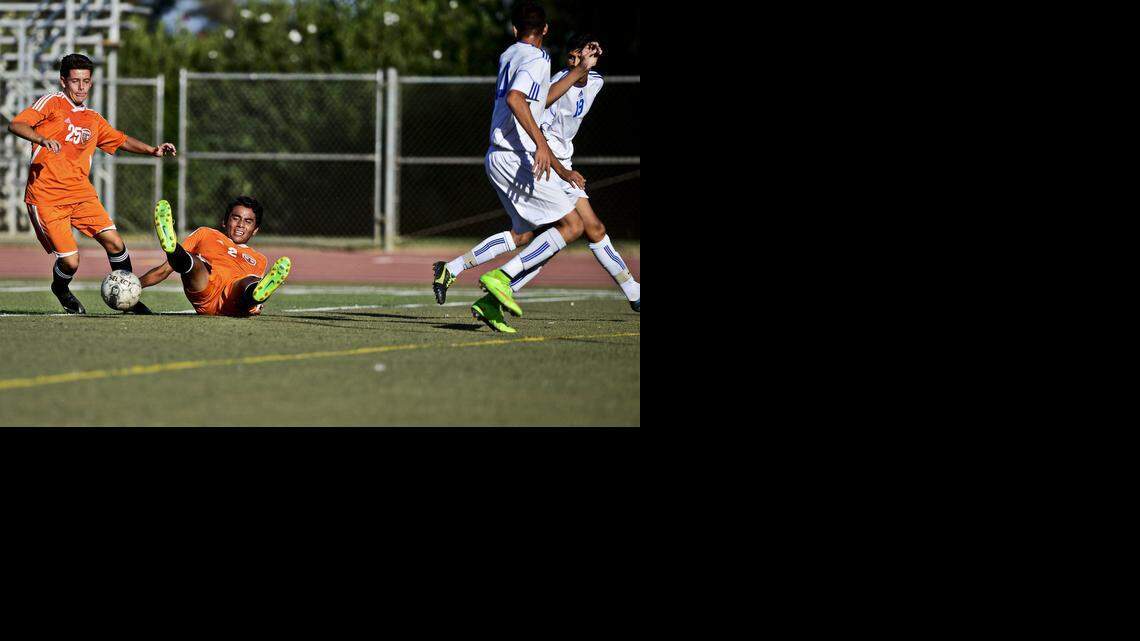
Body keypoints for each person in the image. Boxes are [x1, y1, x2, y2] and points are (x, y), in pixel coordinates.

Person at [428, 1, 593, 333]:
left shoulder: (510, 55)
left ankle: (457, 273)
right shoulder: (539, 57)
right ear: (545, 30)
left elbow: (538, 97)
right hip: (515, 155)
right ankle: (501, 278)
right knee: (573, 226)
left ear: (515, 30)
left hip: (498, 155)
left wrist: (578, 72)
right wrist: (543, 147)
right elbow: (518, 99)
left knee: (523, 234)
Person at [6, 53, 177, 314]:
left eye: (86, 81)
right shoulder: (51, 103)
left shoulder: (93, 119)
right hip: (47, 197)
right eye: (75, 81)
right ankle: (61, 289)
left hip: (81, 194)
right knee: (70, 262)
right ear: (63, 81)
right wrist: (41, 140)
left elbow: (120, 140)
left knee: (116, 244)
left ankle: (128, 299)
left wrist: (151, 150)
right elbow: (16, 124)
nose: (81, 87)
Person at [139, 197, 292, 317]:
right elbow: (165, 269)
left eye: (248, 221)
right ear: (225, 221)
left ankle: (256, 294)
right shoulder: (206, 234)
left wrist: (255, 304)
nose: (240, 224)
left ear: (255, 230)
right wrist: (135, 285)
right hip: (205, 288)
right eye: (235, 218)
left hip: (233, 298)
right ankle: (172, 247)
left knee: (247, 283)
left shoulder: (259, 259)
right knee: (195, 263)